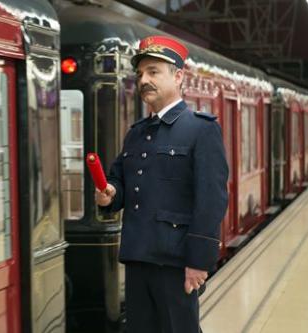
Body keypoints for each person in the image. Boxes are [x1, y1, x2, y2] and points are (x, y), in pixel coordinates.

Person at [95, 35, 228, 333]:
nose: (144, 79)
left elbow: (212, 200)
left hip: (176, 262)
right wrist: (111, 194)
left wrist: (199, 262)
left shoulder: (201, 130)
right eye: (140, 73)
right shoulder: (137, 133)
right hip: (138, 256)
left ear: (178, 76)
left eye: (153, 71)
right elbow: (121, 180)